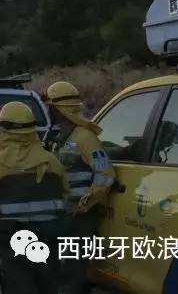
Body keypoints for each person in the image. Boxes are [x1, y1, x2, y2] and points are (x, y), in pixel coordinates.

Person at [0, 101, 70, 294]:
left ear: (2, 129)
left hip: (13, 252)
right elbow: (67, 204)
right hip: (48, 248)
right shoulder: (52, 162)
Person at [45, 81, 115, 294]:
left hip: (80, 219)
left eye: (50, 107)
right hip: (64, 217)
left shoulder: (85, 138)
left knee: (73, 275)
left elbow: (105, 174)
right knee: (61, 273)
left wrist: (84, 204)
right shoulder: (61, 138)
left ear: (58, 110)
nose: (48, 111)